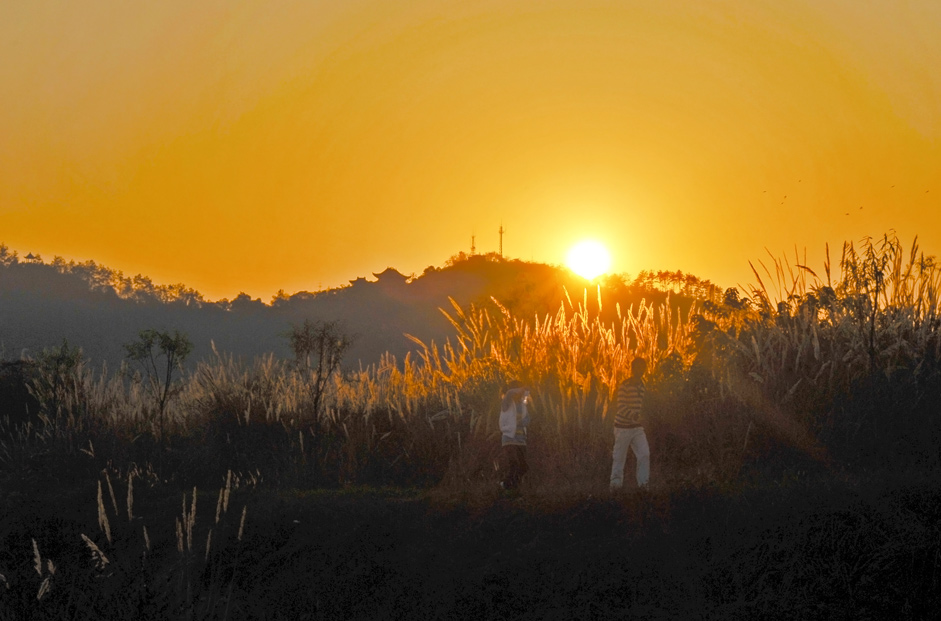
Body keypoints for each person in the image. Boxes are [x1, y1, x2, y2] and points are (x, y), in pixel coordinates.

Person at [610, 357, 650, 490]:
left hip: (637, 428)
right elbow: (621, 406)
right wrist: (634, 416)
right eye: (638, 368)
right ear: (632, 369)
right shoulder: (625, 386)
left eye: (642, 368)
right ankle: (615, 488)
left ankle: (643, 486)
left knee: (644, 454)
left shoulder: (642, 386)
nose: (640, 371)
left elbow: (642, 405)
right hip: (622, 428)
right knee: (619, 459)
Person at [498, 380, 531, 492]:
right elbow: (510, 393)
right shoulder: (506, 403)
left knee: (524, 467)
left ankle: (513, 487)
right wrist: (522, 388)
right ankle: (505, 485)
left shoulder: (522, 403)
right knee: (514, 464)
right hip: (509, 438)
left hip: (521, 439)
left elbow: (527, 418)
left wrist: (526, 392)